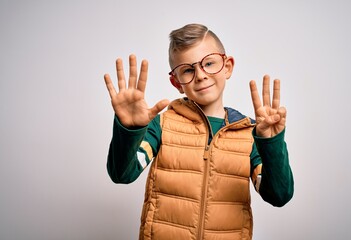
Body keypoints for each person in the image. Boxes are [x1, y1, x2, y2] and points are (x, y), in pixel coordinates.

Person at [103, 23, 294, 240]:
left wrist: (271, 143)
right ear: (176, 82)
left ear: (227, 66)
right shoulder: (162, 125)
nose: (201, 76)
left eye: (209, 63)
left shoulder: (251, 133)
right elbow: (122, 174)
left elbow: (279, 196)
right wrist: (130, 129)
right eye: (188, 69)